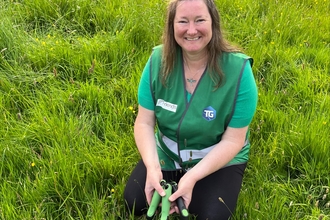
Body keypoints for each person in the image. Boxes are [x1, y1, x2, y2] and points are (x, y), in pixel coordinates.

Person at [124, 0, 258, 219]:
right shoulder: (157, 60)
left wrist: (192, 177)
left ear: (213, 23)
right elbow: (144, 122)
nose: (192, 30)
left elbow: (234, 140)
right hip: (167, 152)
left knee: (213, 214)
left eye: (200, 20)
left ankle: (186, 183)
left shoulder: (239, 71)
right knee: (135, 202)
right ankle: (171, 179)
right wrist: (152, 167)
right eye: (183, 21)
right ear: (172, 26)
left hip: (216, 155)